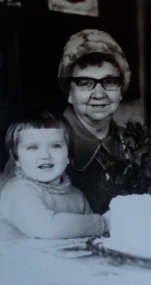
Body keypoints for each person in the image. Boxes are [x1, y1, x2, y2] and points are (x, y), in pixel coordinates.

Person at [0, 29, 132, 215]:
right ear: (69, 92)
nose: (99, 94)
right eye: (85, 83)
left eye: (110, 81)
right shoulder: (39, 140)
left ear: (121, 90)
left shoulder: (133, 143)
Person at [0, 106, 109, 239]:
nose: (45, 155)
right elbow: (45, 228)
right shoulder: (17, 191)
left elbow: (94, 238)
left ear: (68, 155)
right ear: (16, 158)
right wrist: (102, 223)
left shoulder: (77, 196)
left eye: (55, 146)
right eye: (32, 147)